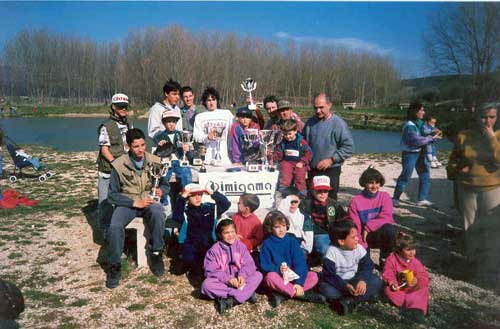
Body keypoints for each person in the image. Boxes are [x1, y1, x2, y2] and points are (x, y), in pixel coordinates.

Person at [105, 128, 168, 289]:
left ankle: (156, 253)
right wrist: (133, 203)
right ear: (128, 146)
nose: (140, 150)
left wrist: (162, 190)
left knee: (158, 213)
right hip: (128, 202)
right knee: (114, 225)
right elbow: (112, 195)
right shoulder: (118, 164)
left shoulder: (155, 160)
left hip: (149, 199)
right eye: (136, 146)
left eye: (143, 145)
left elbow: (165, 184)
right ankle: (114, 265)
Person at [447, 102, 500, 275]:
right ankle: (472, 263)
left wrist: (491, 137)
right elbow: (453, 159)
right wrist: (455, 170)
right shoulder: (464, 135)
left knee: (492, 227)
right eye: (484, 117)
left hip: (492, 187)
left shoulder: (498, 135)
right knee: (469, 227)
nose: (487, 121)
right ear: (477, 116)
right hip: (467, 186)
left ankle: (491, 266)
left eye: (491, 117)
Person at [259, 210, 326, 308]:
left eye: (283, 226)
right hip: (278, 277)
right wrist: (278, 269)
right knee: (270, 277)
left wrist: (299, 283)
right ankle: (302, 295)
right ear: (271, 229)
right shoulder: (267, 244)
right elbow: (265, 265)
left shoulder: (292, 241)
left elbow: (300, 263)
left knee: (313, 276)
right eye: (277, 227)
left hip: (292, 277)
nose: (281, 229)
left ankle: (284, 295)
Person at [318, 220, 383, 315]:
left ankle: (349, 300)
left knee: (377, 280)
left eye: (357, 236)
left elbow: (368, 265)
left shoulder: (359, 248)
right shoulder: (332, 252)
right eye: (353, 237)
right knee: (326, 289)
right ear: (341, 241)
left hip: (355, 279)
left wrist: (362, 280)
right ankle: (358, 298)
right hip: (339, 282)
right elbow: (329, 275)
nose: (357, 239)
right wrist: (345, 286)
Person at [201, 219, 263, 314]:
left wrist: (242, 275)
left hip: (240, 279)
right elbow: (211, 271)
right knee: (206, 285)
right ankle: (245, 294)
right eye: (226, 233)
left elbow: (249, 264)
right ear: (220, 234)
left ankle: (231, 300)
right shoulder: (214, 251)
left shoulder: (240, 246)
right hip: (224, 281)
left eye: (232, 232)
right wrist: (228, 279)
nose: (230, 235)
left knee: (258, 275)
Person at [172, 182, 231, 278]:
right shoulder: (185, 212)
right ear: (188, 198)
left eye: (200, 195)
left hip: (208, 243)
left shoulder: (209, 208)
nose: (198, 198)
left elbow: (226, 204)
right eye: (193, 196)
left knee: (212, 263)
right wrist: (182, 197)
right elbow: (176, 215)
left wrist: (213, 193)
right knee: (182, 267)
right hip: (191, 244)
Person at [304, 93, 354, 200]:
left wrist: (331, 160)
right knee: (313, 199)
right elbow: (303, 143)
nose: (318, 111)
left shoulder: (338, 123)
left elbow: (349, 147)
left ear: (329, 105)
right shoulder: (309, 123)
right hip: (313, 170)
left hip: (331, 170)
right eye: (315, 108)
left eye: (321, 107)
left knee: (330, 201)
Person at [348, 166, 396, 268]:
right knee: (366, 266)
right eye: (371, 183)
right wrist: (362, 244)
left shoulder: (385, 197)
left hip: (378, 233)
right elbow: (355, 226)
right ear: (364, 183)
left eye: (377, 183)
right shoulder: (355, 201)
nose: (374, 186)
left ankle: (384, 258)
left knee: (390, 230)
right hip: (362, 237)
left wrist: (368, 227)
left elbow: (387, 217)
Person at [392, 102, 439, 207]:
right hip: (410, 154)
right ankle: (395, 199)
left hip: (420, 152)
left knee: (425, 175)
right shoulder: (409, 126)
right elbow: (416, 141)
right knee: (405, 176)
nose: (423, 112)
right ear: (415, 112)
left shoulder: (420, 122)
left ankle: (422, 199)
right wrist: (431, 138)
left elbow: (426, 130)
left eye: (423, 110)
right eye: (421, 110)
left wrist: (433, 131)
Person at [382, 232, 429, 324]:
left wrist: (417, 280)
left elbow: (423, 275)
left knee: (423, 289)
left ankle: (415, 310)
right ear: (399, 250)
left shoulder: (415, 262)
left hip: (412, 288)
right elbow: (388, 272)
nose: (412, 253)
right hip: (399, 289)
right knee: (388, 290)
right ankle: (416, 305)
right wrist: (392, 283)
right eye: (408, 250)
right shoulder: (391, 259)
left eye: (414, 249)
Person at [96, 93, 133, 205]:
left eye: (125, 106)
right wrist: (116, 164)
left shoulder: (129, 124)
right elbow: (104, 150)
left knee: (122, 200)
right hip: (108, 169)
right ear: (113, 107)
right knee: (104, 202)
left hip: (125, 167)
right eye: (120, 106)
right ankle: (103, 222)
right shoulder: (105, 126)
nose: (123, 109)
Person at [301, 176, 346, 257]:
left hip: (329, 233)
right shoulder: (306, 204)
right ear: (313, 191)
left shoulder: (334, 205)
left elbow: (343, 220)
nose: (322, 194)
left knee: (329, 248)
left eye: (325, 191)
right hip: (312, 232)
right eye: (319, 191)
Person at [193, 87, 234, 165]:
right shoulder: (199, 117)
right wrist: (207, 137)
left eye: (213, 99)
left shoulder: (227, 114)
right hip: (207, 159)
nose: (211, 102)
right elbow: (196, 136)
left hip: (224, 159)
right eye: (208, 100)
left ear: (217, 100)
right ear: (205, 102)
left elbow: (234, 132)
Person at [152, 110, 193, 189]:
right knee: (163, 177)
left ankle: (188, 195)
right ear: (164, 123)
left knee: (186, 174)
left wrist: (188, 149)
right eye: (168, 121)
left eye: (173, 121)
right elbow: (156, 154)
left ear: (176, 122)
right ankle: (163, 198)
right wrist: (159, 147)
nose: (171, 124)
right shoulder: (158, 137)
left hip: (180, 161)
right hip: (166, 162)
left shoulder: (182, 134)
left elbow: (191, 153)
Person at [274, 119, 312, 197]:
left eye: (290, 134)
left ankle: (302, 194)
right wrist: (272, 157)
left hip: (299, 163)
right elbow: (279, 153)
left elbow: (308, 153)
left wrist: (303, 162)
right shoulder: (283, 143)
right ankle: (284, 193)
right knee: (285, 176)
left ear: (295, 131)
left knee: (300, 179)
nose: (288, 136)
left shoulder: (301, 142)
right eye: (285, 134)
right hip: (287, 162)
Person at [278, 189, 314, 256]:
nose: (293, 204)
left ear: (299, 201)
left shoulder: (304, 217)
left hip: (298, 246)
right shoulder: (278, 215)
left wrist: (305, 250)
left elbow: (309, 238)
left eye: (295, 201)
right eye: (290, 201)